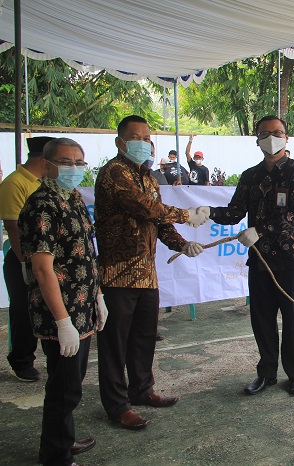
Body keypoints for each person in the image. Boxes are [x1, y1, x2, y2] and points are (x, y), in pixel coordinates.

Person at [94, 115, 207, 430]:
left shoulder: (149, 177)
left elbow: (158, 221)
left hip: (146, 273)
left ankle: (142, 390)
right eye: (136, 137)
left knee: (143, 337)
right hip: (117, 275)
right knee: (115, 344)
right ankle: (117, 406)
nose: (143, 143)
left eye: (147, 138)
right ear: (120, 142)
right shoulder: (114, 173)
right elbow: (145, 208)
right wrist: (187, 215)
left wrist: (182, 245)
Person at [193, 115, 294, 396]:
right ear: (257, 139)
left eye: (277, 132)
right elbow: (235, 212)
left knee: (293, 319)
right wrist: (209, 212)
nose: (272, 138)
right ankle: (266, 372)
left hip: (292, 259)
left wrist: (260, 230)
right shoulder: (250, 176)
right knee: (261, 319)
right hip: (260, 261)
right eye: (265, 133)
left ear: (286, 137)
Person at [19, 138, 106, 465]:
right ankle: (55, 454)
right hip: (61, 313)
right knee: (63, 387)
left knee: (71, 382)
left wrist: (98, 296)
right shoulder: (42, 205)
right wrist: (62, 322)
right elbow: (42, 269)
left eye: (79, 162)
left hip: (82, 307)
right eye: (66, 162)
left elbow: (86, 253)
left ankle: (63, 439)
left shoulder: (73, 198)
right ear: (47, 164)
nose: (74, 169)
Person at [0, 136, 55, 382]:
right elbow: (12, 228)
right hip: (23, 258)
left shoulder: (47, 183)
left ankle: (52, 354)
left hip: (48, 258)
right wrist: (25, 262)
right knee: (24, 309)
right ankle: (22, 360)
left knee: (50, 307)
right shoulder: (16, 183)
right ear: (45, 159)